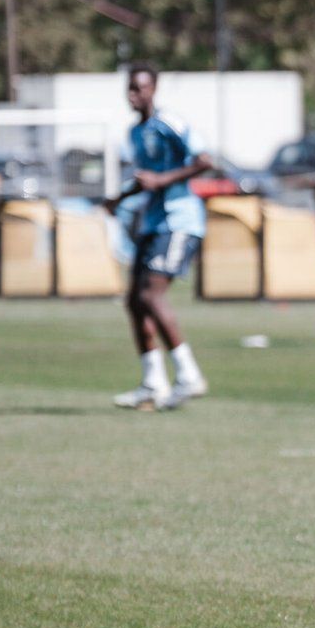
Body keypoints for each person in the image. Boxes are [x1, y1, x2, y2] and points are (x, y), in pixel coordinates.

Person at [103, 64, 213, 409]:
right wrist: (118, 198)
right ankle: (153, 383)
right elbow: (145, 177)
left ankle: (189, 375)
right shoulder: (135, 133)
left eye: (140, 88)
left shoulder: (171, 122)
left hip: (180, 220)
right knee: (134, 301)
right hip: (152, 222)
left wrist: (164, 181)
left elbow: (204, 160)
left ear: (154, 89)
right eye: (130, 88)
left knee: (152, 296)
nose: (134, 95)